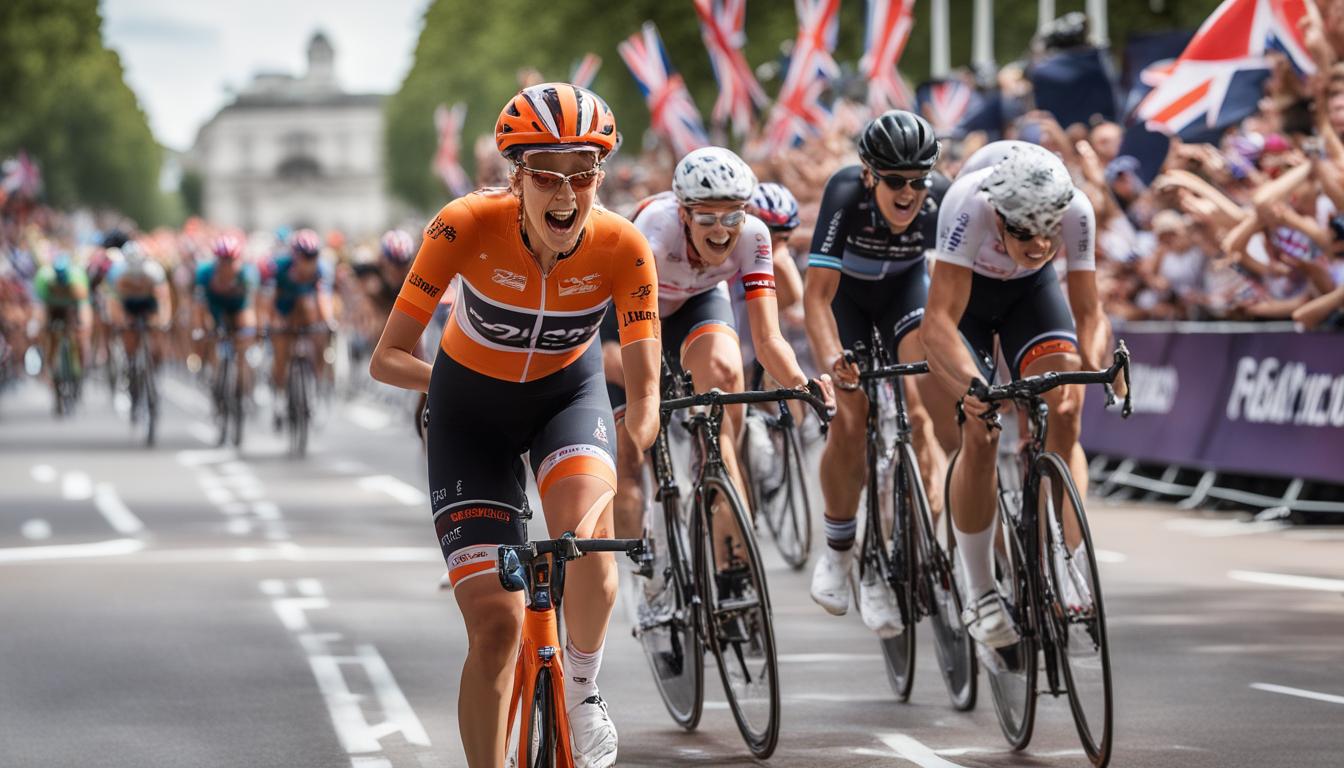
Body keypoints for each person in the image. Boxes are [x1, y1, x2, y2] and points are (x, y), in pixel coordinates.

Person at [368, 82, 661, 768]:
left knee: (586, 542)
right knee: (497, 626)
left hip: (569, 402)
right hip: (470, 418)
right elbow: (387, 358)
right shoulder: (463, 224)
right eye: (548, 175)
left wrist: (628, 455)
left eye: (583, 174)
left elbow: (643, 395)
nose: (567, 194)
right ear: (516, 176)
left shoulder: (624, 246)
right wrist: (449, 385)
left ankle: (583, 690)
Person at [922, 139, 1122, 649]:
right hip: (967, 297)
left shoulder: (1075, 208)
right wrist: (974, 387)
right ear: (998, 214)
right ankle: (981, 589)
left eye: (1048, 232)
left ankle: (1067, 560)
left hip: (1030, 296)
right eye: (1024, 232)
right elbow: (939, 321)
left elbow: (1090, 313)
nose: (1038, 246)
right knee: (980, 431)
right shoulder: (969, 202)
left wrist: (1099, 368)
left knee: (1068, 408)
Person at [802, 110, 949, 637]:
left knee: (925, 397)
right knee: (851, 417)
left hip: (905, 296)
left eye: (918, 181)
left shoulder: (940, 200)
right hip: (849, 304)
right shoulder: (845, 193)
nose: (908, 192)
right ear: (870, 175)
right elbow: (816, 298)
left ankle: (919, 544)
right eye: (894, 181)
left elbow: (956, 299)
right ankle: (840, 552)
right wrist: (832, 361)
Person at [262, 228, 335, 428]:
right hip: (283, 309)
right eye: (305, 257)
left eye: (313, 257)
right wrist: (271, 322)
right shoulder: (280, 268)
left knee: (319, 334)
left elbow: (323, 298)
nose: (309, 262)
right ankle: (278, 398)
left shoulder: (322, 269)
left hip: (305, 311)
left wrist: (329, 322)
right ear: (295, 256)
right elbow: (271, 301)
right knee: (281, 353)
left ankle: (316, 387)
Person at [193, 234, 261, 392]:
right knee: (208, 331)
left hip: (239, 307)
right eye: (222, 261)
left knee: (245, 333)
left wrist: (256, 331)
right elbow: (198, 307)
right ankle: (213, 371)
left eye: (231, 261)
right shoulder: (204, 273)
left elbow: (254, 307)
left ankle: (243, 384)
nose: (226, 266)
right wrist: (199, 330)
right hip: (215, 306)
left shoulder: (247, 274)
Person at [33, 253, 92, 399]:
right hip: (52, 308)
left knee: (80, 336)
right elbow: (41, 307)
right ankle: (48, 368)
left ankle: (82, 367)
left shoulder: (78, 278)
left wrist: (84, 326)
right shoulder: (43, 279)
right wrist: (40, 326)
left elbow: (84, 306)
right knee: (46, 335)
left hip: (72, 308)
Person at [106, 241, 171, 364]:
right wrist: (120, 321)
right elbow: (113, 302)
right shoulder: (116, 272)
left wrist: (163, 320)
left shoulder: (154, 270)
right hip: (127, 302)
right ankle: (130, 361)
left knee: (156, 332)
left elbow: (164, 299)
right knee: (128, 334)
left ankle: (155, 361)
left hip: (148, 301)